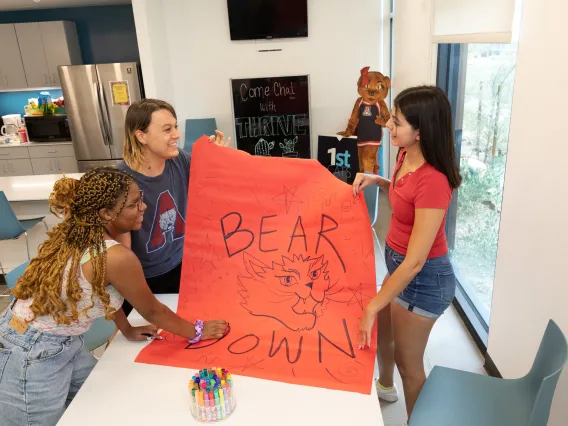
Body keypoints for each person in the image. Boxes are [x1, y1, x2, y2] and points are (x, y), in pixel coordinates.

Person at [0, 168, 227, 426]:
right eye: (133, 204)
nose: (144, 206)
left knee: (95, 406)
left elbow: (102, 289)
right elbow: (154, 312)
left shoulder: (81, 234)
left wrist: (127, 328)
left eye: (140, 198)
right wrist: (197, 331)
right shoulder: (117, 257)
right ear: (106, 214)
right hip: (33, 352)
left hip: (56, 341)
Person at [353, 86, 461, 418]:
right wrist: (379, 180)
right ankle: (385, 387)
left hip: (424, 279)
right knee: (384, 337)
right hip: (399, 264)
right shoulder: (405, 155)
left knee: (408, 363)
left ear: (420, 131)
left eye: (397, 121)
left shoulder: (434, 181)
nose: (388, 126)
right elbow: (404, 196)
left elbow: (416, 261)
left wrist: (371, 305)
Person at [117, 99, 231, 316]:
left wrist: (217, 159)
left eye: (176, 127)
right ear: (141, 136)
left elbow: (214, 187)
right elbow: (120, 252)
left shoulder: (181, 161)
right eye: (167, 129)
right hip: (142, 280)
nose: (177, 135)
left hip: (183, 268)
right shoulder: (120, 180)